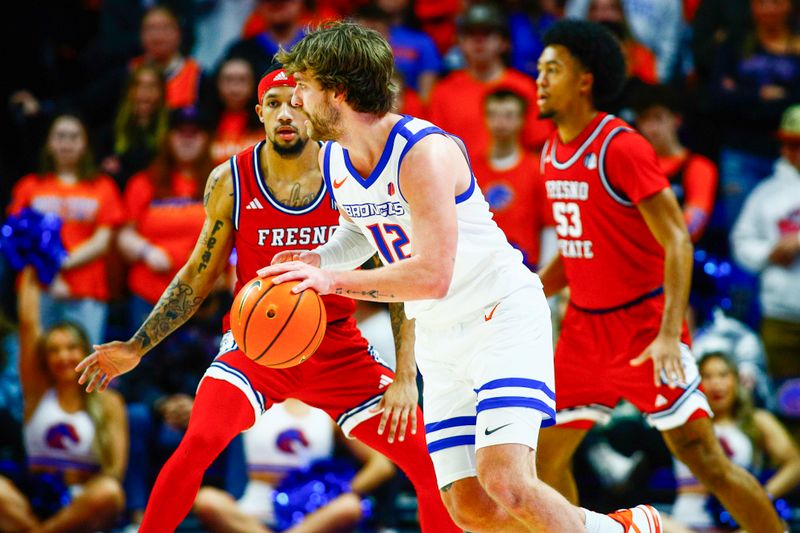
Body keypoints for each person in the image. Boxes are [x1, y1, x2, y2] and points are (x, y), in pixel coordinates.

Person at [260, 20, 662, 532]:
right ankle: (618, 530)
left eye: (304, 87)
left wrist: (334, 283)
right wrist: (318, 260)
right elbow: (360, 232)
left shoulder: (423, 152)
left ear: (337, 91)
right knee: (469, 507)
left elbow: (432, 275)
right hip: (439, 337)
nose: (294, 99)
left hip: (499, 316)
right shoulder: (336, 156)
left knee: (507, 480)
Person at [75, 65, 460, 533]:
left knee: (431, 462)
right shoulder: (231, 180)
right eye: (274, 103)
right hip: (255, 344)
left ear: (314, 110)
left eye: (295, 102)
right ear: (259, 112)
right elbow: (199, 274)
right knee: (198, 440)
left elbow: (398, 274)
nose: (285, 113)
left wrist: (404, 376)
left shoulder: (351, 173)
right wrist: (136, 347)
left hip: (337, 348)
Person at [531, 19, 785, 533]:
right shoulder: (552, 152)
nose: (539, 78)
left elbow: (677, 239)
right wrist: (526, 293)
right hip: (584, 331)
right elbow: (576, 249)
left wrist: (671, 333)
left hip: (646, 329)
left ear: (583, 79)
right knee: (542, 463)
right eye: (539, 69)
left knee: (706, 462)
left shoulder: (620, 146)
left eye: (552, 69)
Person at [0, 268, 127, 533]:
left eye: (70, 348)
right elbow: (28, 325)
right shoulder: (37, 393)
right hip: (33, 499)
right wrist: (31, 265)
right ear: (44, 359)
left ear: (86, 351)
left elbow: (115, 470)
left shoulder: (109, 402)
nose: (63, 357)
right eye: (54, 350)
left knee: (110, 491)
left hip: (80, 503)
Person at [8, 113, 126, 346]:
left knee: (84, 365)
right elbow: (18, 239)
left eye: (74, 137)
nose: (67, 143)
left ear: (85, 145)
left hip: (87, 289)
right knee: (35, 360)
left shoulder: (103, 186)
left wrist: (59, 263)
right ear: (49, 143)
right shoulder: (29, 186)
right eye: (60, 136)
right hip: (37, 289)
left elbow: (103, 241)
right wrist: (50, 276)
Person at [193, 398, 395, 532]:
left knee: (350, 506)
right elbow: (207, 422)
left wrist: (339, 492)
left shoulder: (328, 410)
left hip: (310, 511)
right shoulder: (253, 400)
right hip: (255, 504)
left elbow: (381, 465)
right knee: (207, 500)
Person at [668, 352, 800, 531]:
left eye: (723, 375)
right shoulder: (681, 420)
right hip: (685, 525)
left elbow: (795, 463)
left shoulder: (757, 420)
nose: (716, 383)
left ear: (737, 381)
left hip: (740, 524)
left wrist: (763, 495)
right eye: (707, 376)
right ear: (695, 384)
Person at [731, 103, 800, 442]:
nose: (791, 151)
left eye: (798, 143)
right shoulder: (766, 194)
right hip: (782, 318)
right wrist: (769, 253)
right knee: (790, 404)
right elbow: (741, 243)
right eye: (788, 143)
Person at [118, 105, 214, 329]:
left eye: (195, 133)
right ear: (168, 138)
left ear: (206, 139)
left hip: (202, 295)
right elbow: (124, 234)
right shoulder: (144, 183)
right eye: (180, 132)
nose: (187, 139)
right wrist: (146, 251)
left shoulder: (221, 180)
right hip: (148, 293)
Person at [427, 3, 553, 157]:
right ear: (460, 42)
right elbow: (435, 149)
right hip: (462, 180)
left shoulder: (525, 87)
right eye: (471, 33)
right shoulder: (443, 92)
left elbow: (538, 147)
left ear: (504, 43)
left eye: (487, 32)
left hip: (512, 179)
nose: (479, 40)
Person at [470, 88, 555, 270]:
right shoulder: (469, 169)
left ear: (522, 120)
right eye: (493, 115)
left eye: (509, 116)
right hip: (480, 267)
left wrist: (545, 274)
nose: (500, 124)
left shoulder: (537, 169)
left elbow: (549, 227)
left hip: (525, 268)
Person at [632, 83, 718, 243]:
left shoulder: (699, 167)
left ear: (676, 120)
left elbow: (694, 224)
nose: (652, 128)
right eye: (644, 119)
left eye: (658, 118)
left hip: (676, 257)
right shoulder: (631, 165)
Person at [99, 63, 170, 187]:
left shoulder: (172, 127)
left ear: (162, 92)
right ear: (129, 91)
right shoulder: (112, 129)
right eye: (138, 85)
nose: (144, 93)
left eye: (152, 86)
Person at [203, 57, 264, 165]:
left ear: (254, 83)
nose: (235, 88)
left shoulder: (266, 120)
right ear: (216, 83)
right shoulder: (203, 123)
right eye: (228, 80)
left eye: (242, 80)